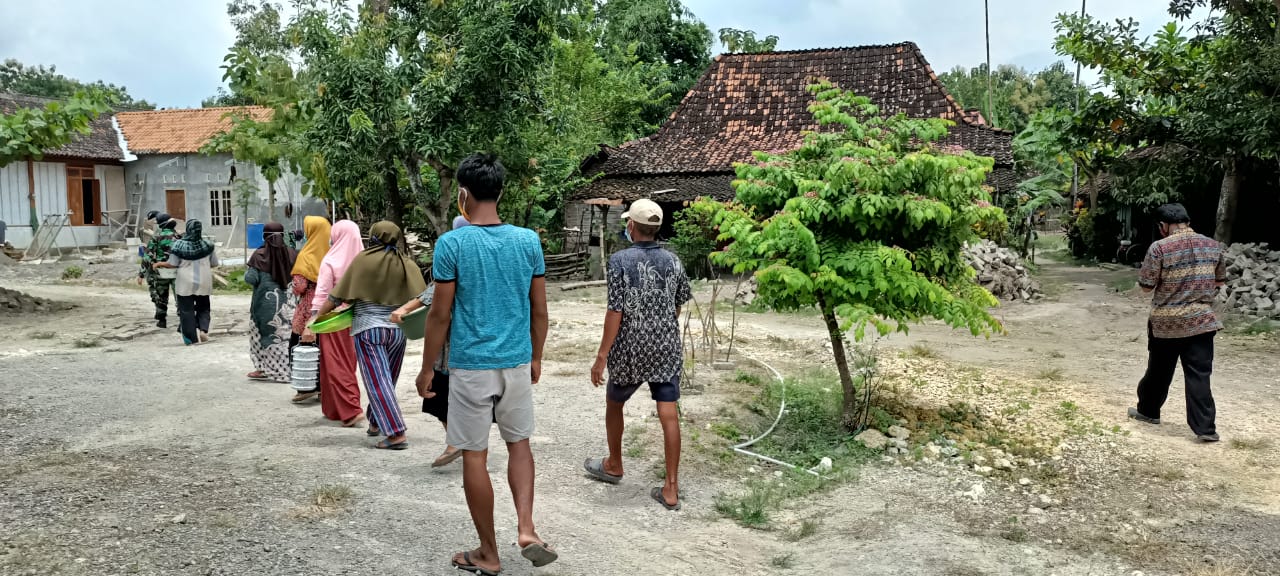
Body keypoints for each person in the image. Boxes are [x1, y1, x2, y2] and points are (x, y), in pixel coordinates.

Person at [417, 153, 556, 573]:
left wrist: (427, 369)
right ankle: (528, 528)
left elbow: (439, 314)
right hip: (515, 362)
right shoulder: (528, 241)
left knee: (475, 455)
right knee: (520, 445)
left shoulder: (452, 244)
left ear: (463, 194)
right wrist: (536, 356)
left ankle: (488, 553)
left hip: (470, 366)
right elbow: (539, 311)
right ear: (501, 191)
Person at [583, 199, 692, 511]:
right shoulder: (674, 261)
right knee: (668, 413)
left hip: (631, 347)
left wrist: (602, 355)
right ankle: (671, 488)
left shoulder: (619, 261)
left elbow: (615, 311)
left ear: (631, 226)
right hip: (667, 345)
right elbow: (677, 304)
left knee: (614, 403)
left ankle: (614, 464)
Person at [319, 221, 425, 449]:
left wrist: (317, 318)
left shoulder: (363, 261)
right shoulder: (406, 263)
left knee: (378, 382)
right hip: (398, 331)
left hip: (369, 330)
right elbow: (422, 297)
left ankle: (396, 433)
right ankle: (376, 422)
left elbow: (336, 297)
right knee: (387, 380)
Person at [1129, 203, 1226, 443]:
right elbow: (1219, 282)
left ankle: (1148, 412)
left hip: (1165, 324)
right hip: (1202, 322)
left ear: (1163, 226)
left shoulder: (1159, 248)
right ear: (1187, 221)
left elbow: (1146, 287)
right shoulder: (1213, 246)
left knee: (1159, 371)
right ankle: (1205, 429)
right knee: (1199, 375)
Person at [390, 216, 470, 466]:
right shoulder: (490, 259)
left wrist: (402, 309)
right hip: (480, 345)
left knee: (440, 395)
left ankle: (456, 442)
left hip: (450, 347)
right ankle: (467, 444)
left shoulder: (455, 259)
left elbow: (432, 295)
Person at [306, 220, 363, 425]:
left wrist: (313, 320)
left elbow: (323, 294)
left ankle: (351, 410)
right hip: (358, 317)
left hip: (334, 319)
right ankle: (333, 409)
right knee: (347, 362)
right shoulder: (364, 260)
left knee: (335, 364)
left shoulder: (331, 260)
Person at [245, 223, 297, 383]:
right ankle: (288, 369)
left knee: (261, 336)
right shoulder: (292, 253)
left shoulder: (259, 255)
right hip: (288, 304)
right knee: (285, 336)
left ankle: (264, 368)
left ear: (264, 236)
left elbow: (251, 278)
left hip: (264, 305)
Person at [288, 216, 331, 404]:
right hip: (329, 306)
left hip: (308, 307)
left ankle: (307, 387)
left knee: (301, 345)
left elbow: (299, 287)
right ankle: (324, 388)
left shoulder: (306, 255)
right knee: (324, 347)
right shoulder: (332, 252)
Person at [155, 219, 218, 346]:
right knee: (204, 307)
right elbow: (214, 263)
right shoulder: (208, 245)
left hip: (185, 282)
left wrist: (159, 263)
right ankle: (203, 330)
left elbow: (172, 264)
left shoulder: (178, 245)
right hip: (204, 280)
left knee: (186, 310)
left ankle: (191, 339)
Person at [139, 212, 176, 328]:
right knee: (180, 296)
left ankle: (162, 320)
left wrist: (141, 274)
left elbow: (147, 256)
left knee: (161, 296)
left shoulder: (156, 237)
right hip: (176, 271)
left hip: (161, 271)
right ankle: (183, 319)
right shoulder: (179, 236)